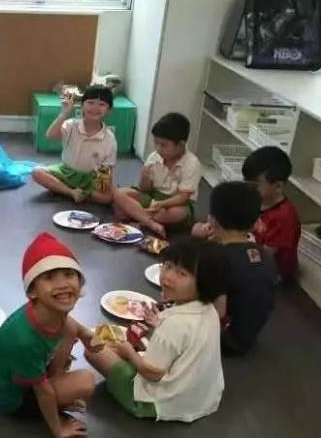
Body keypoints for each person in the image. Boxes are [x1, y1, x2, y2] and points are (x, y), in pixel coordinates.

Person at [85, 237, 229, 423]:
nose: (168, 276)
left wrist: (129, 352)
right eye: (168, 266)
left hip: (159, 403)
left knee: (94, 350)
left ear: (204, 283)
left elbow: (152, 374)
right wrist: (158, 324)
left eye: (182, 273)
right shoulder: (210, 311)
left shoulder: (174, 325)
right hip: (200, 398)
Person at [0, 232, 96, 438]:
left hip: (23, 376)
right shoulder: (24, 339)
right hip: (14, 398)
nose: (62, 284)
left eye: (68, 274)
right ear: (32, 291)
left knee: (70, 328)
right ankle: (57, 390)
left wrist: (87, 335)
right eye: (49, 277)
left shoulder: (49, 308)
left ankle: (57, 383)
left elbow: (70, 325)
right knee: (85, 381)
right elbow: (43, 393)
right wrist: (58, 429)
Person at [192, 146, 301, 282]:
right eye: (246, 182)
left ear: (277, 185)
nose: (248, 188)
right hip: (244, 248)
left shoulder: (284, 217)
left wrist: (226, 242)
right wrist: (210, 229)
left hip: (271, 269)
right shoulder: (252, 199)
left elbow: (264, 256)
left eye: (255, 185)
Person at [209, 181, 277, 355]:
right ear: (254, 223)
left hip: (224, 341)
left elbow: (218, 312)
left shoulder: (218, 258)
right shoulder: (264, 255)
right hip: (249, 337)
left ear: (212, 220)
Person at [112, 113, 202, 238]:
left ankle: (137, 215)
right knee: (118, 193)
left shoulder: (192, 163)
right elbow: (144, 189)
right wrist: (144, 178)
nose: (159, 149)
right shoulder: (155, 156)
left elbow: (183, 197)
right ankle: (150, 222)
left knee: (174, 214)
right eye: (156, 143)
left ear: (181, 145)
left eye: (164, 145)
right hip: (152, 198)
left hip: (176, 203)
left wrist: (162, 204)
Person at [32, 85, 117, 204]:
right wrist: (64, 113)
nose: (95, 108)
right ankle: (71, 192)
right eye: (90, 102)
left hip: (90, 178)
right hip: (66, 171)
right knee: (37, 172)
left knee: (107, 197)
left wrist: (105, 186)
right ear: (82, 105)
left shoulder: (109, 138)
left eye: (101, 104)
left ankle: (68, 190)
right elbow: (50, 135)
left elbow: (108, 169)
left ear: (109, 110)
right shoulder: (71, 125)